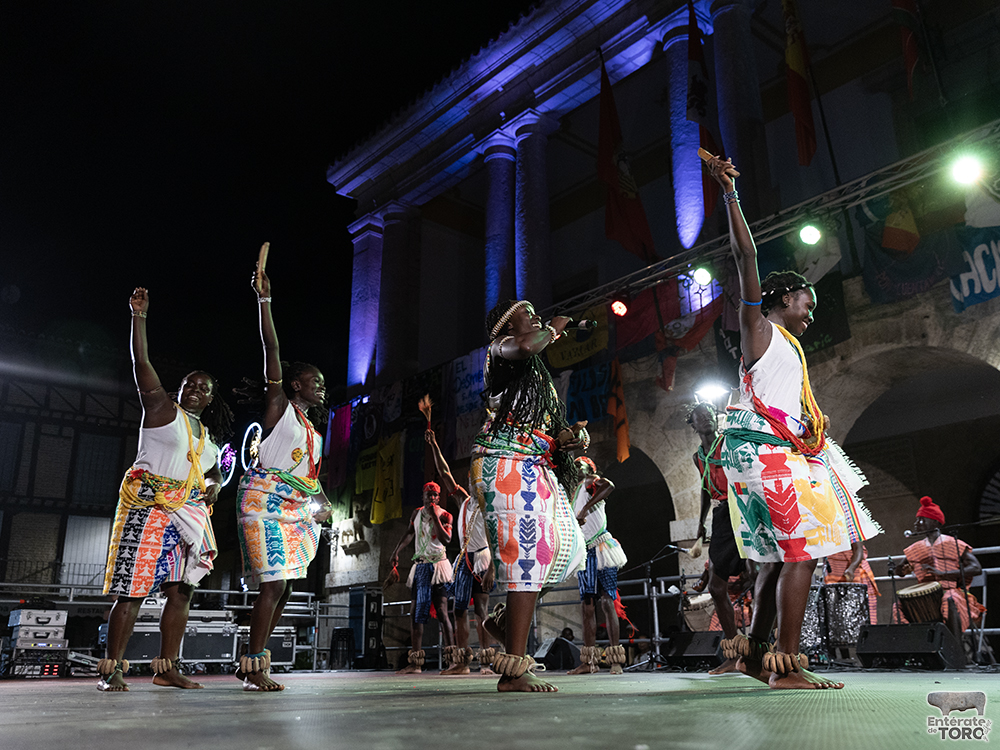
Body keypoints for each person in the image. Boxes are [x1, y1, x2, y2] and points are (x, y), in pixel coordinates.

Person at [707, 156, 881, 689]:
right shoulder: (759, 328)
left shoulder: (789, 347)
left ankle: (759, 659)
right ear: (784, 298)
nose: (812, 311)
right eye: (807, 301)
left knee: (776, 562)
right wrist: (731, 193)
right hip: (764, 451)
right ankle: (789, 666)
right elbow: (745, 255)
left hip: (775, 450)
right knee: (799, 555)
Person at [99, 287, 233, 692]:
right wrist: (139, 318)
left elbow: (209, 473)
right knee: (132, 591)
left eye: (203, 388)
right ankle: (113, 669)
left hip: (185, 515)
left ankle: (166, 667)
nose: (194, 390)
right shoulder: (162, 410)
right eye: (189, 384)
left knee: (180, 591)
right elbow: (141, 362)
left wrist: (214, 487)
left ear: (210, 398)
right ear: (179, 388)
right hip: (149, 507)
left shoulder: (207, 437)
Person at [470, 299, 588, 692]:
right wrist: (554, 327)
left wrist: (567, 440)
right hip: (506, 464)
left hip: (533, 464)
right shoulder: (501, 349)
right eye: (528, 314)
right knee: (528, 554)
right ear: (506, 325)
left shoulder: (534, 375)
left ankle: (504, 625)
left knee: (566, 550)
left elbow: (547, 430)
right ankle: (513, 673)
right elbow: (525, 345)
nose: (536, 317)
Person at [234, 253, 333, 691]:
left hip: (296, 506)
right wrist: (265, 300)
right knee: (272, 584)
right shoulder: (280, 409)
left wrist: (323, 501)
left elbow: (310, 476)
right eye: (315, 381)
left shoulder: (314, 431)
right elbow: (272, 350)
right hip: (263, 500)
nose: (321, 387)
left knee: (286, 587)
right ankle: (256, 667)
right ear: (295, 384)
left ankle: (254, 661)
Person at [424, 428, 499, 675]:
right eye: (470, 479)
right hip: (464, 558)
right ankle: (462, 662)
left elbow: (496, 537)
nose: (472, 483)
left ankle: (486, 662)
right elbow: (445, 475)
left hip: (482, 557)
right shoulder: (464, 500)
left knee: (481, 610)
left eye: (477, 480)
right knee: (458, 610)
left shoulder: (488, 505)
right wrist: (435, 445)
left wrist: (492, 568)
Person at [688, 401, 747, 674]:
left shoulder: (729, 442)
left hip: (743, 508)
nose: (707, 419)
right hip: (722, 515)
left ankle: (763, 648)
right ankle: (735, 654)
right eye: (701, 416)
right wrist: (700, 523)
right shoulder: (698, 456)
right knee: (715, 587)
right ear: (694, 424)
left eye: (710, 414)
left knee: (761, 578)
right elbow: (704, 488)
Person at [893, 496, 984, 644]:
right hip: (925, 595)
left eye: (921, 520)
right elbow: (900, 572)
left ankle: (954, 647)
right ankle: (914, 648)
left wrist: (944, 574)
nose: (917, 524)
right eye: (917, 520)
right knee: (898, 607)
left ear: (935, 522)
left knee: (950, 599)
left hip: (952, 591)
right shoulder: (914, 549)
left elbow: (976, 568)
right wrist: (898, 569)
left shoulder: (954, 543)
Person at [567, 456, 628, 675]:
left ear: (590, 467)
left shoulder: (592, 482)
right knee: (587, 606)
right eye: (575, 467)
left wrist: (586, 509)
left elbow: (609, 486)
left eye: (580, 465)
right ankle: (589, 661)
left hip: (602, 547)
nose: (577, 469)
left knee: (607, 602)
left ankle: (615, 660)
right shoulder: (574, 493)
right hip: (586, 552)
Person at [389, 481, 456, 674]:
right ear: (423, 496)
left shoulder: (444, 515)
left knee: (443, 612)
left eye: (436, 495)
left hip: (439, 567)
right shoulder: (416, 513)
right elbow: (410, 533)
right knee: (415, 613)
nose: (432, 498)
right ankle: (415, 663)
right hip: (420, 566)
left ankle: (453, 660)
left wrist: (435, 517)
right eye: (429, 495)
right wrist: (396, 551)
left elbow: (446, 539)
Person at [824, 541, 878, 625]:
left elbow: (858, 549)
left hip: (853, 572)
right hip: (835, 574)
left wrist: (851, 569)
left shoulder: (848, 528)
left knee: (861, 615)